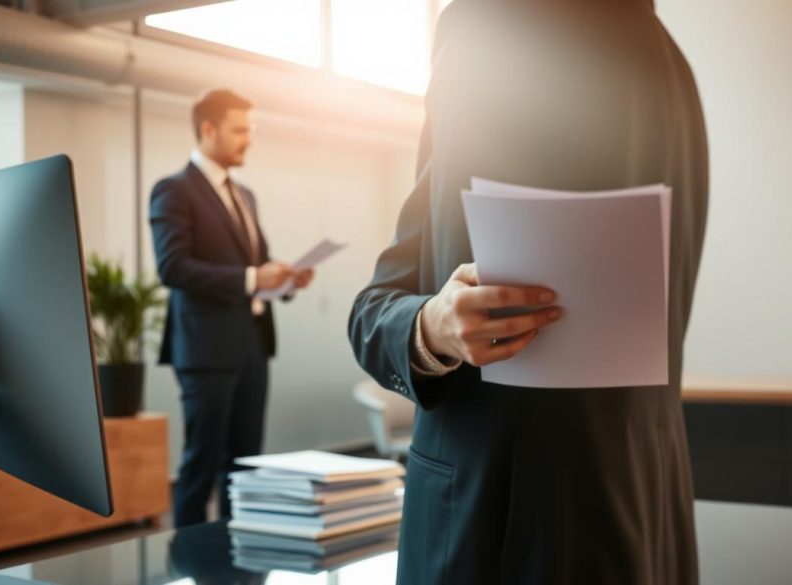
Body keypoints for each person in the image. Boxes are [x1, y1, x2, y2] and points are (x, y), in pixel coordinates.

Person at [348, 1, 708, 583]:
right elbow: (384, 301)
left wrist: (431, 325)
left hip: (495, 523)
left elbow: (377, 304)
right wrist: (431, 326)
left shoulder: (487, 27)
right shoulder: (671, 66)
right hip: (642, 510)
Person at [150, 89, 315, 528]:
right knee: (201, 466)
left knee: (245, 467)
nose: (249, 140)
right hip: (205, 352)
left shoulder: (245, 194)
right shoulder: (173, 190)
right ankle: (190, 564)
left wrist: (283, 280)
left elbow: (255, 268)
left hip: (252, 348)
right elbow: (173, 267)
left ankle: (237, 563)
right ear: (208, 129)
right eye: (240, 130)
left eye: (251, 130)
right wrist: (250, 278)